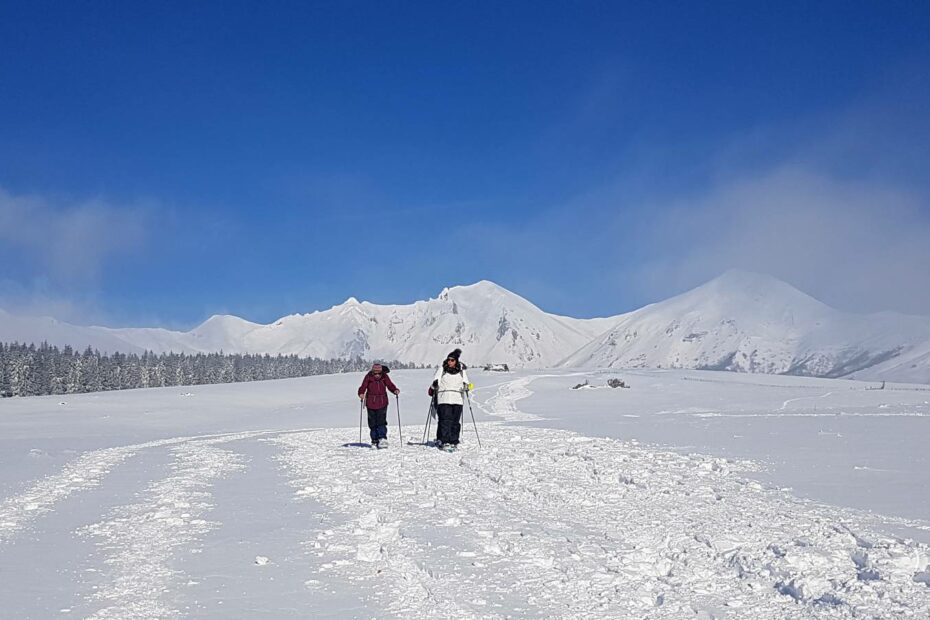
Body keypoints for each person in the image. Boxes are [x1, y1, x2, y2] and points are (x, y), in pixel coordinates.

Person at [428, 348, 471, 451]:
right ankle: (444, 441)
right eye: (449, 360)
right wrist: (434, 386)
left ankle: (454, 441)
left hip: (457, 399)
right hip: (444, 399)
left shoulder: (461, 371)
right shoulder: (441, 370)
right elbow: (435, 383)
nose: (450, 362)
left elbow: (467, 384)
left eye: (452, 360)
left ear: (456, 361)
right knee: (445, 421)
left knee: (455, 422)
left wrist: (466, 387)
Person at [358, 363, 399, 448]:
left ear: (381, 372)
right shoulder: (368, 376)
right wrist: (361, 393)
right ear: (372, 372)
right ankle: (374, 440)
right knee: (372, 423)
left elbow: (390, 385)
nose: (377, 375)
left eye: (379, 373)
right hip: (370, 403)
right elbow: (363, 386)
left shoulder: (384, 377)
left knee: (381, 421)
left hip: (382, 402)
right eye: (375, 373)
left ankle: (382, 439)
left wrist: (395, 390)